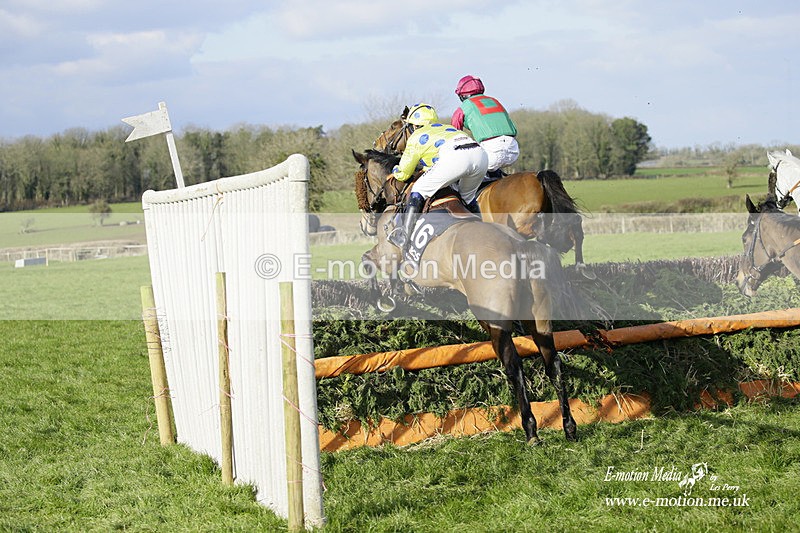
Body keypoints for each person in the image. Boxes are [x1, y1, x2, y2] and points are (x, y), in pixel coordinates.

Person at [388, 103, 488, 251]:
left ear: (414, 126)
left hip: (457, 157)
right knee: (467, 197)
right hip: (480, 155)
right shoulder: (448, 128)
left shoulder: (416, 136)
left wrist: (395, 169)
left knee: (419, 188)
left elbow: (404, 173)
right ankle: (483, 231)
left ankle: (404, 235)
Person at [451, 75, 519, 179]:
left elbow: (453, 134)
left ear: (462, 95)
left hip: (492, 151)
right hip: (513, 150)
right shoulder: (494, 101)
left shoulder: (465, 106)